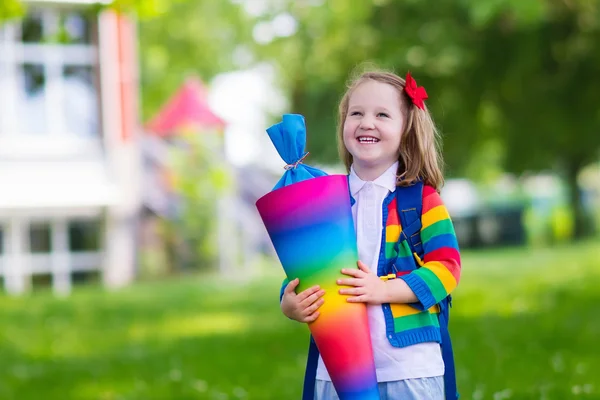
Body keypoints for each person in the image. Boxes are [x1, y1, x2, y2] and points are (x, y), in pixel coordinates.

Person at [280, 69, 461, 400]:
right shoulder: (323, 199)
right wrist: (289, 302)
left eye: (382, 114)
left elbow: (447, 269)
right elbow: (305, 267)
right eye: (356, 113)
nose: (366, 122)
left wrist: (383, 289)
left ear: (406, 130)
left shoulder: (421, 200)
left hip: (409, 367)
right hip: (335, 371)